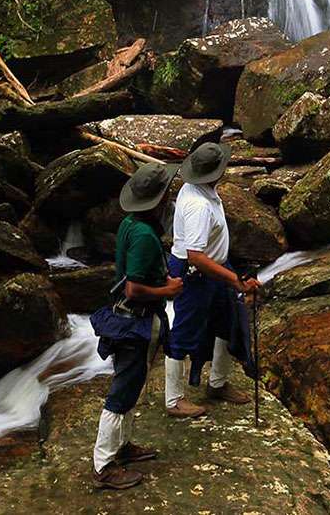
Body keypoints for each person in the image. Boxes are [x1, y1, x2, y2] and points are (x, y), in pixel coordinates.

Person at [88, 162, 185, 490]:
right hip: (135, 322)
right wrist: (168, 290)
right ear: (158, 199)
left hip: (130, 319)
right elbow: (133, 288)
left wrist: (161, 278)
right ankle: (104, 465)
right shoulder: (144, 234)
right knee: (123, 390)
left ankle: (123, 446)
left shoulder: (132, 223)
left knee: (132, 385)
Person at [164, 142, 261, 418]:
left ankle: (217, 383)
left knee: (227, 322)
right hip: (196, 273)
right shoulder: (198, 206)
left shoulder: (199, 189)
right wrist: (235, 279)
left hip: (217, 266)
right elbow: (195, 256)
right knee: (185, 330)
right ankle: (174, 400)